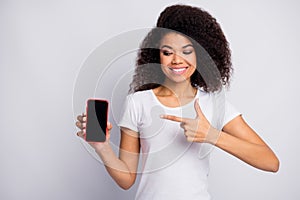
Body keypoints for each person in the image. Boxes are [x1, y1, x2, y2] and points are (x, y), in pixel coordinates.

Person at [76, 4, 279, 200]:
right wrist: (102, 147)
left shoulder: (215, 105)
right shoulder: (138, 102)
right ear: (157, 55)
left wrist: (212, 135)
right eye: (167, 52)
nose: (176, 60)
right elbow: (126, 179)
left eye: (186, 51)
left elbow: (270, 162)